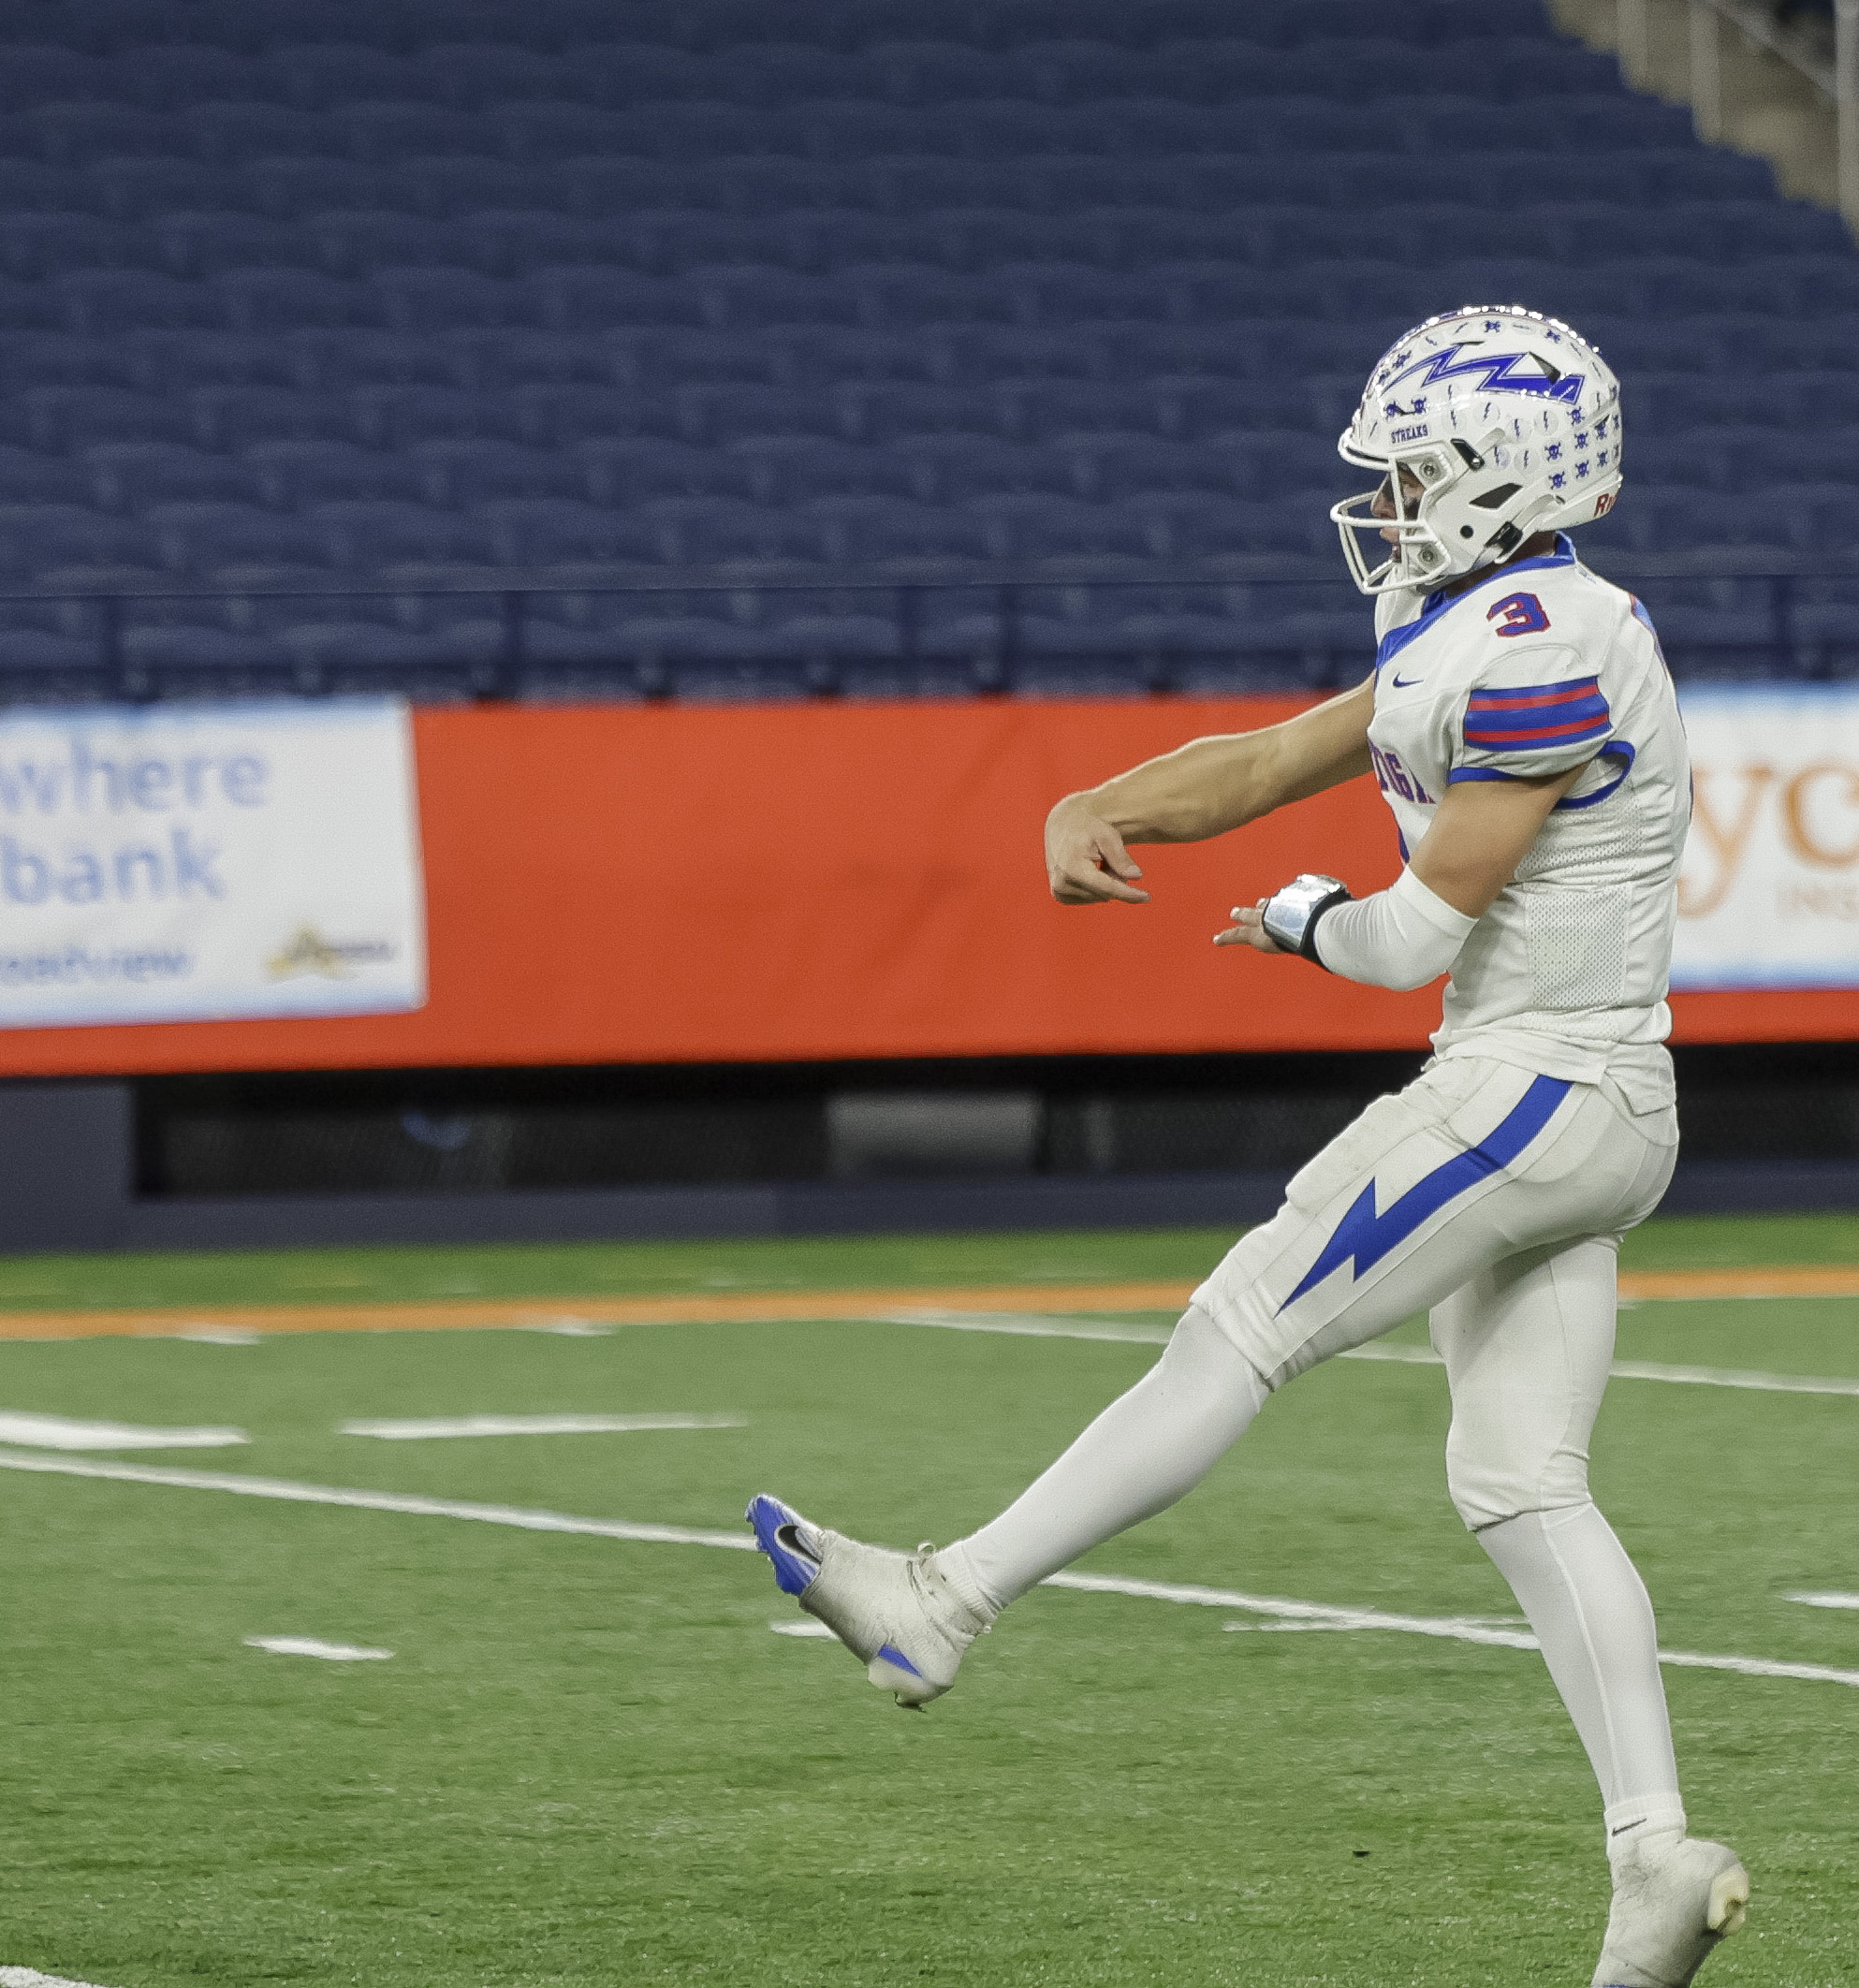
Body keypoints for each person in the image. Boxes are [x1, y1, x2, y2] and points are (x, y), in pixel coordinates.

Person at [746, 306, 1746, 1988]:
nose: (1391, 489)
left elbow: (1407, 941)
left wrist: (1297, 919)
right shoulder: (1491, 617)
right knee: (1518, 1480)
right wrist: (1105, 802)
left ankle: (948, 1596)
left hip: (1532, 1080)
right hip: (1579, 1093)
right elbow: (1281, 752)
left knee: (1242, 1316)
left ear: (1503, 473)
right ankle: (1651, 1855)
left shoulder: (1541, 648)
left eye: (1418, 464)